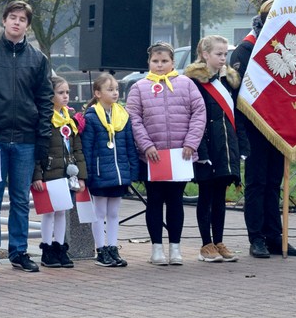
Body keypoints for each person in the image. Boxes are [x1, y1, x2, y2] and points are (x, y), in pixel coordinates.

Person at [0, 0, 53, 275]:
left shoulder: (38, 59)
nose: (17, 22)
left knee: (20, 198)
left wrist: (42, 139)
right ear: (4, 20)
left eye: (22, 19)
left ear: (27, 25)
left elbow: (45, 100)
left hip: (26, 140)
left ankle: (19, 251)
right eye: (12, 17)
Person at [230, 1, 296, 258]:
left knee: (275, 183)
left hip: (280, 124)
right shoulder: (246, 49)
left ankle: (275, 236)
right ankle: (257, 238)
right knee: (257, 183)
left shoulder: (286, 46)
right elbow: (237, 94)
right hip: (255, 126)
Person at [127, 42, 206, 266]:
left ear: (173, 62)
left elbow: (199, 113)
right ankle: (156, 249)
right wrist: (146, 145)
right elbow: (134, 118)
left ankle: (175, 248)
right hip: (153, 156)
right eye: (155, 61)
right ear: (149, 63)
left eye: (164, 61)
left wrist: (191, 142)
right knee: (154, 200)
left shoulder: (187, 85)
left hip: (180, 155)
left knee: (175, 201)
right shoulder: (139, 87)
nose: (160, 65)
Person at [185, 35, 248, 263]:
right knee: (206, 196)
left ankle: (219, 241)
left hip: (226, 146)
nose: (223, 59)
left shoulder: (229, 82)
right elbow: (194, 118)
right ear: (205, 55)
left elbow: (236, 117)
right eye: (218, 54)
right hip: (207, 147)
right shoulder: (194, 82)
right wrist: (199, 150)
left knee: (220, 197)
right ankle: (206, 244)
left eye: (225, 55)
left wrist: (241, 145)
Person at [81, 73, 139, 269]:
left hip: (119, 173)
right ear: (97, 93)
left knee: (114, 212)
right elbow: (86, 148)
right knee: (99, 212)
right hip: (99, 173)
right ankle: (101, 250)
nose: (115, 93)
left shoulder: (122, 115)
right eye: (110, 89)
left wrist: (132, 170)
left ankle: (113, 247)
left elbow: (130, 145)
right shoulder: (91, 117)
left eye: (116, 89)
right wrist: (86, 174)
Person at [33, 76, 87, 268]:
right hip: (49, 173)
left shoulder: (69, 119)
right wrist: (37, 175)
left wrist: (81, 175)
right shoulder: (44, 119)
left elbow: (77, 150)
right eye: (61, 93)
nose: (66, 96)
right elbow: (37, 150)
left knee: (62, 211)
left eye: (67, 93)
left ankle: (60, 247)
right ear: (50, 95)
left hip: (67, 174)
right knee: (49, 212)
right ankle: (47, 250)